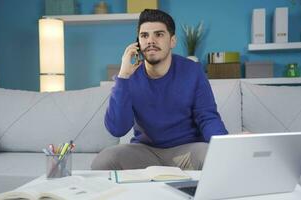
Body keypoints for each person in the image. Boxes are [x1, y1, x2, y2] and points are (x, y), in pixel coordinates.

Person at [91, 9, 228, 170]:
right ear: (137, 42)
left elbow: (207, 118)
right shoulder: (129, 77)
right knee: (104, 160)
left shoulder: (192, 71)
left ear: (172, 41)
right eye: (144, 36)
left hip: (185, 152)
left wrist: (225, 145)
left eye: (159, 34)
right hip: (144, 152)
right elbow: (117, 129)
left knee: (212, 156)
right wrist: (123, 77)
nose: (150, 41)